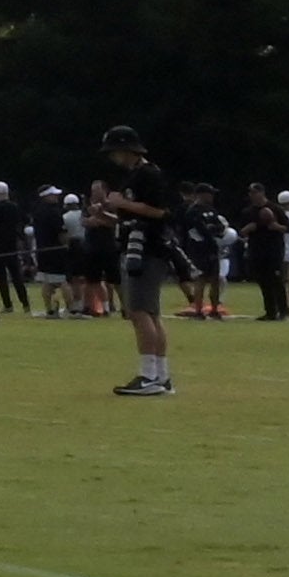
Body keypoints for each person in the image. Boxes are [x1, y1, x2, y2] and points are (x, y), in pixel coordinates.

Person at [84, 129, 180, 396]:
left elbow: (159, 212)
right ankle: (161, 375)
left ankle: (149, 375)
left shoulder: (148, 174)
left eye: (114, 151)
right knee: (149, 313)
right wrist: (106, 214)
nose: (113, 157)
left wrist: (122, 202)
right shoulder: (136, 175)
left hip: (146, 249)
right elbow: (130, 220)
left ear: (126, 149)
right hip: (140, 244)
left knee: (138, 311)